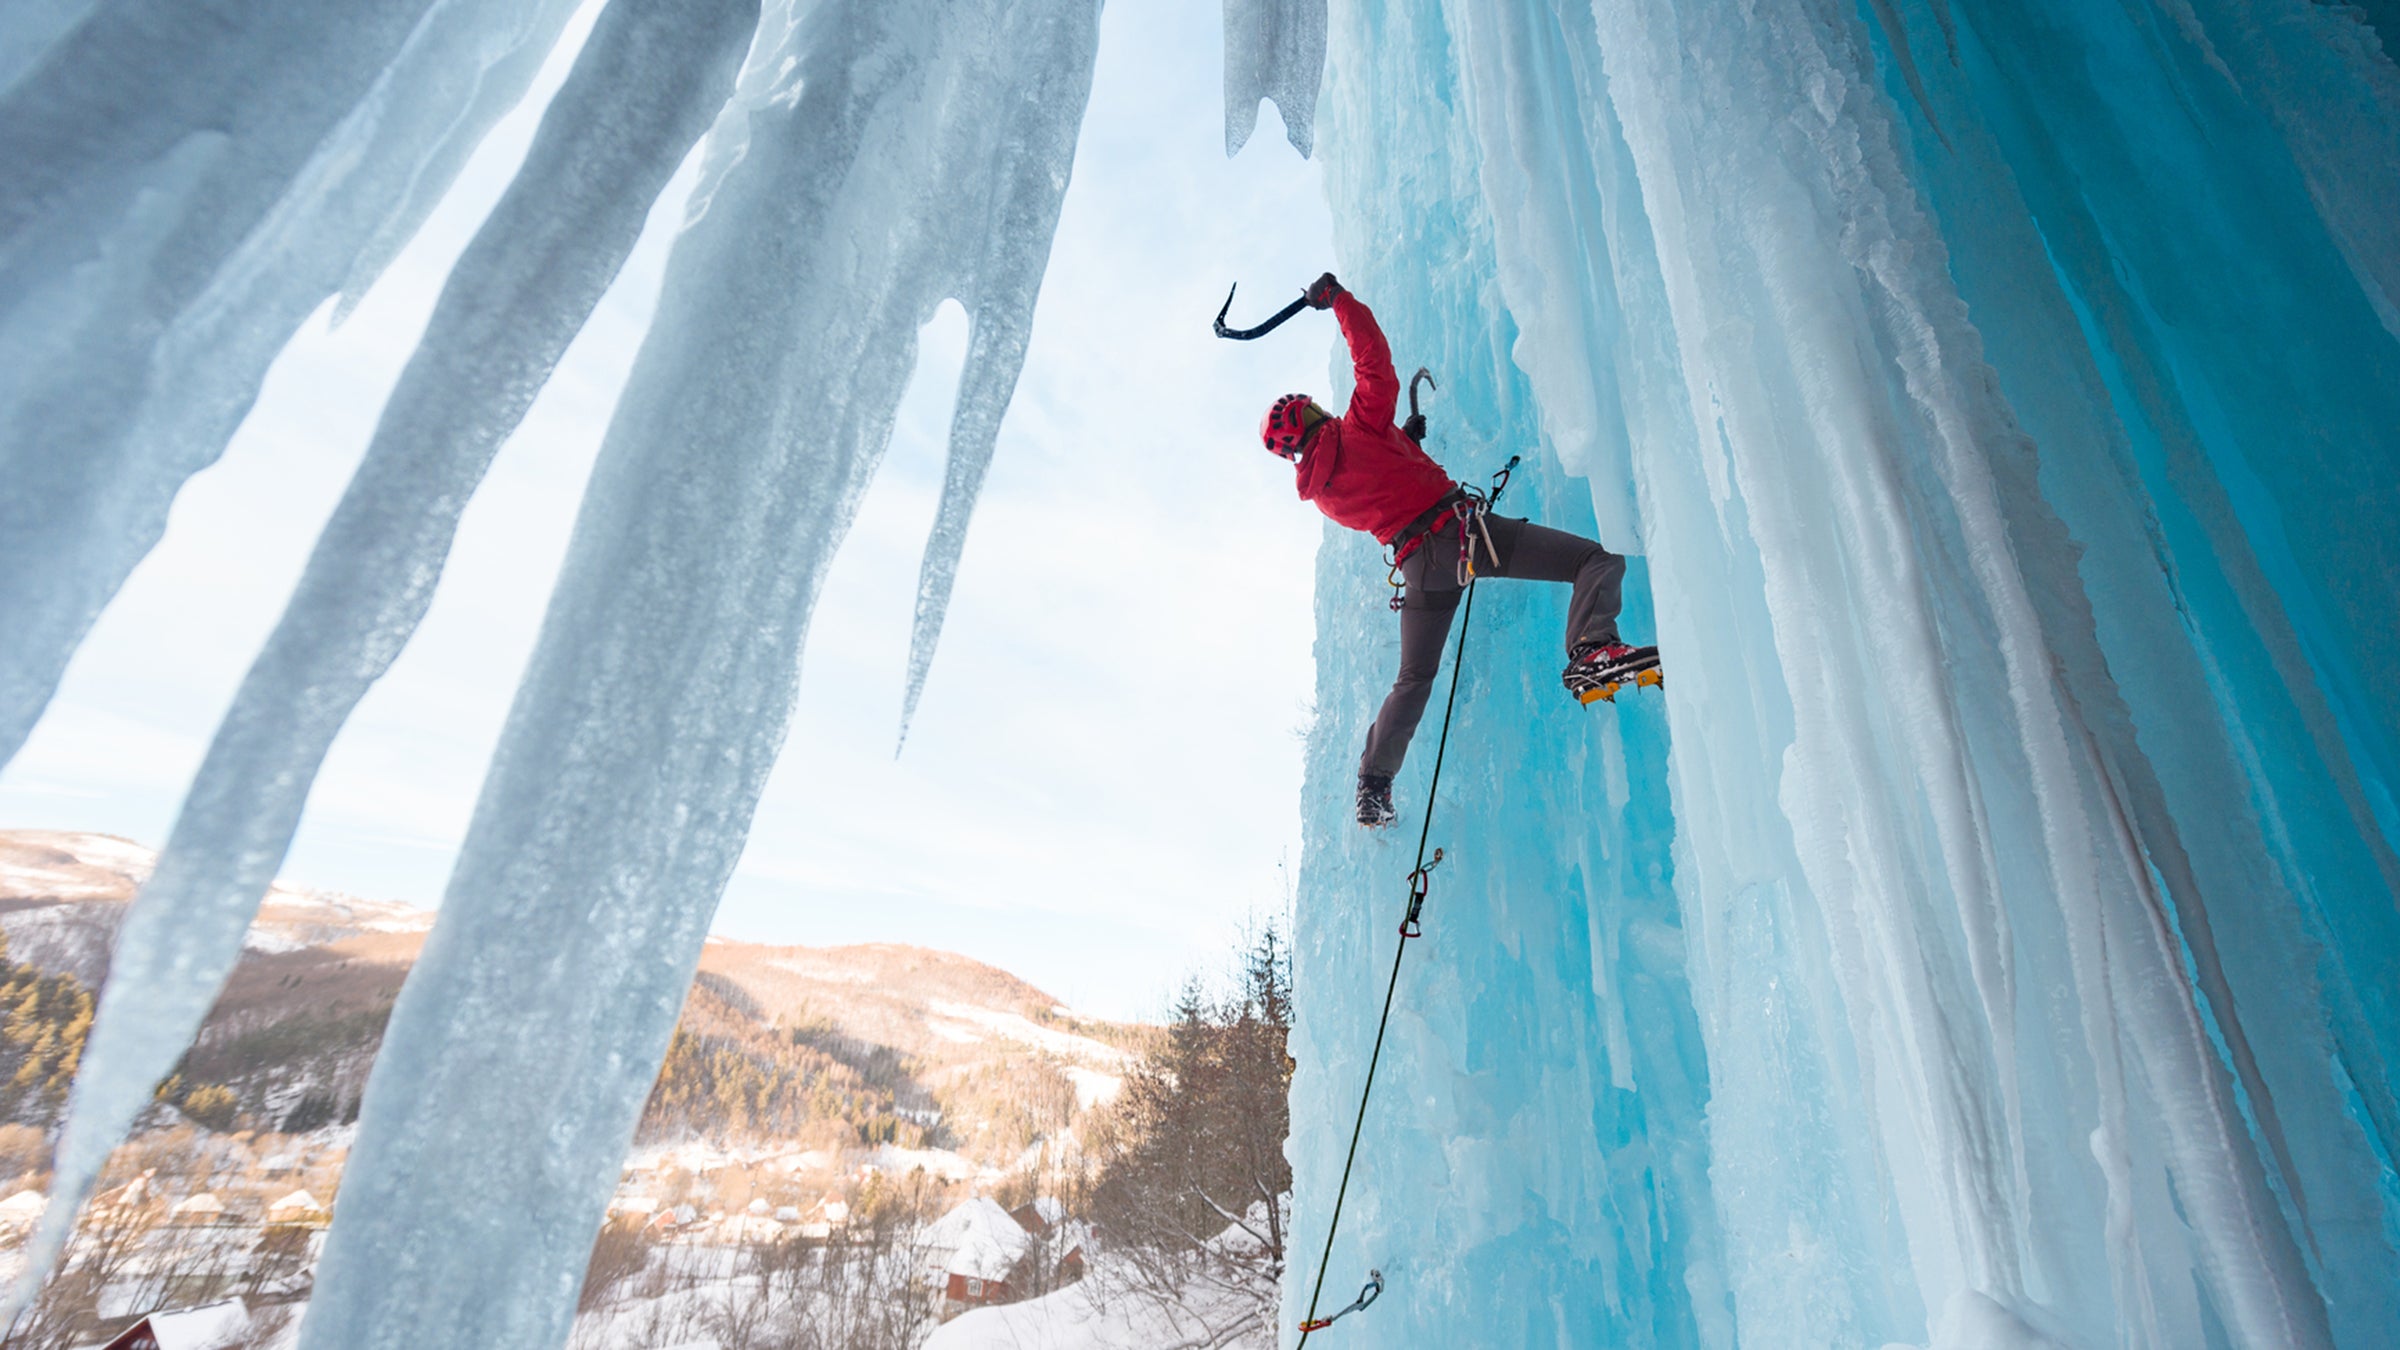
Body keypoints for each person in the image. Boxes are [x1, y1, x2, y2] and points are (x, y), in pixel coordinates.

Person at [1261, 273, 1650, 827]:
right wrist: (1338, 301)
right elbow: (1374, 359)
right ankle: (1592, 649)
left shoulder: (1323, 495)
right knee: (1594, 559)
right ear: (1314, 415)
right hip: (1464, 538)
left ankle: (1374, 784)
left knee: (1414, 679)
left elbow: (1382, 488)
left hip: (1422, 570)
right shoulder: (1358, 430)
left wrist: (1405, 444)